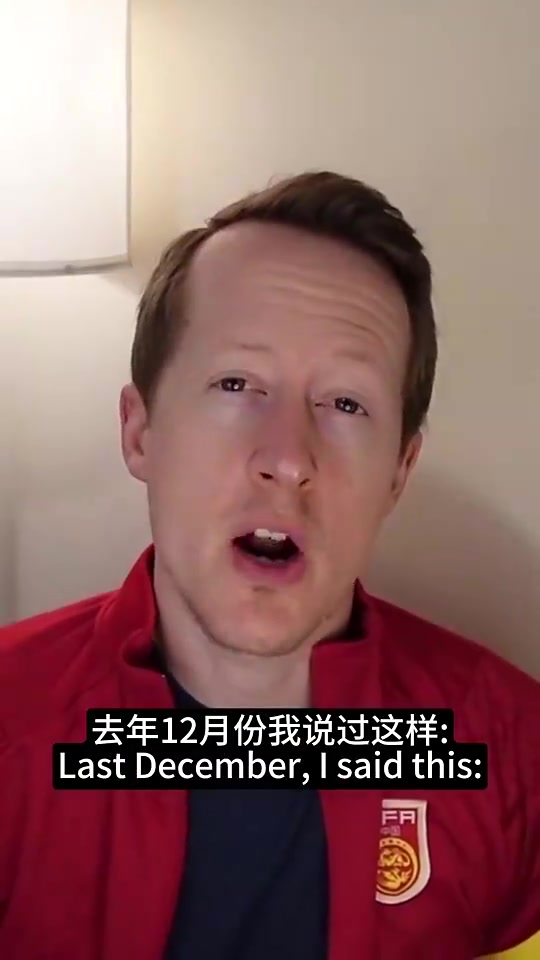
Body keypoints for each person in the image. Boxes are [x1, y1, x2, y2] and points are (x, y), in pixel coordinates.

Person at [0, 171, 538, 960]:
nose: (288, 459)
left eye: (346, 403)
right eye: (237, 383)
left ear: (399, 471)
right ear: (141, 432)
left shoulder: (518, 760)